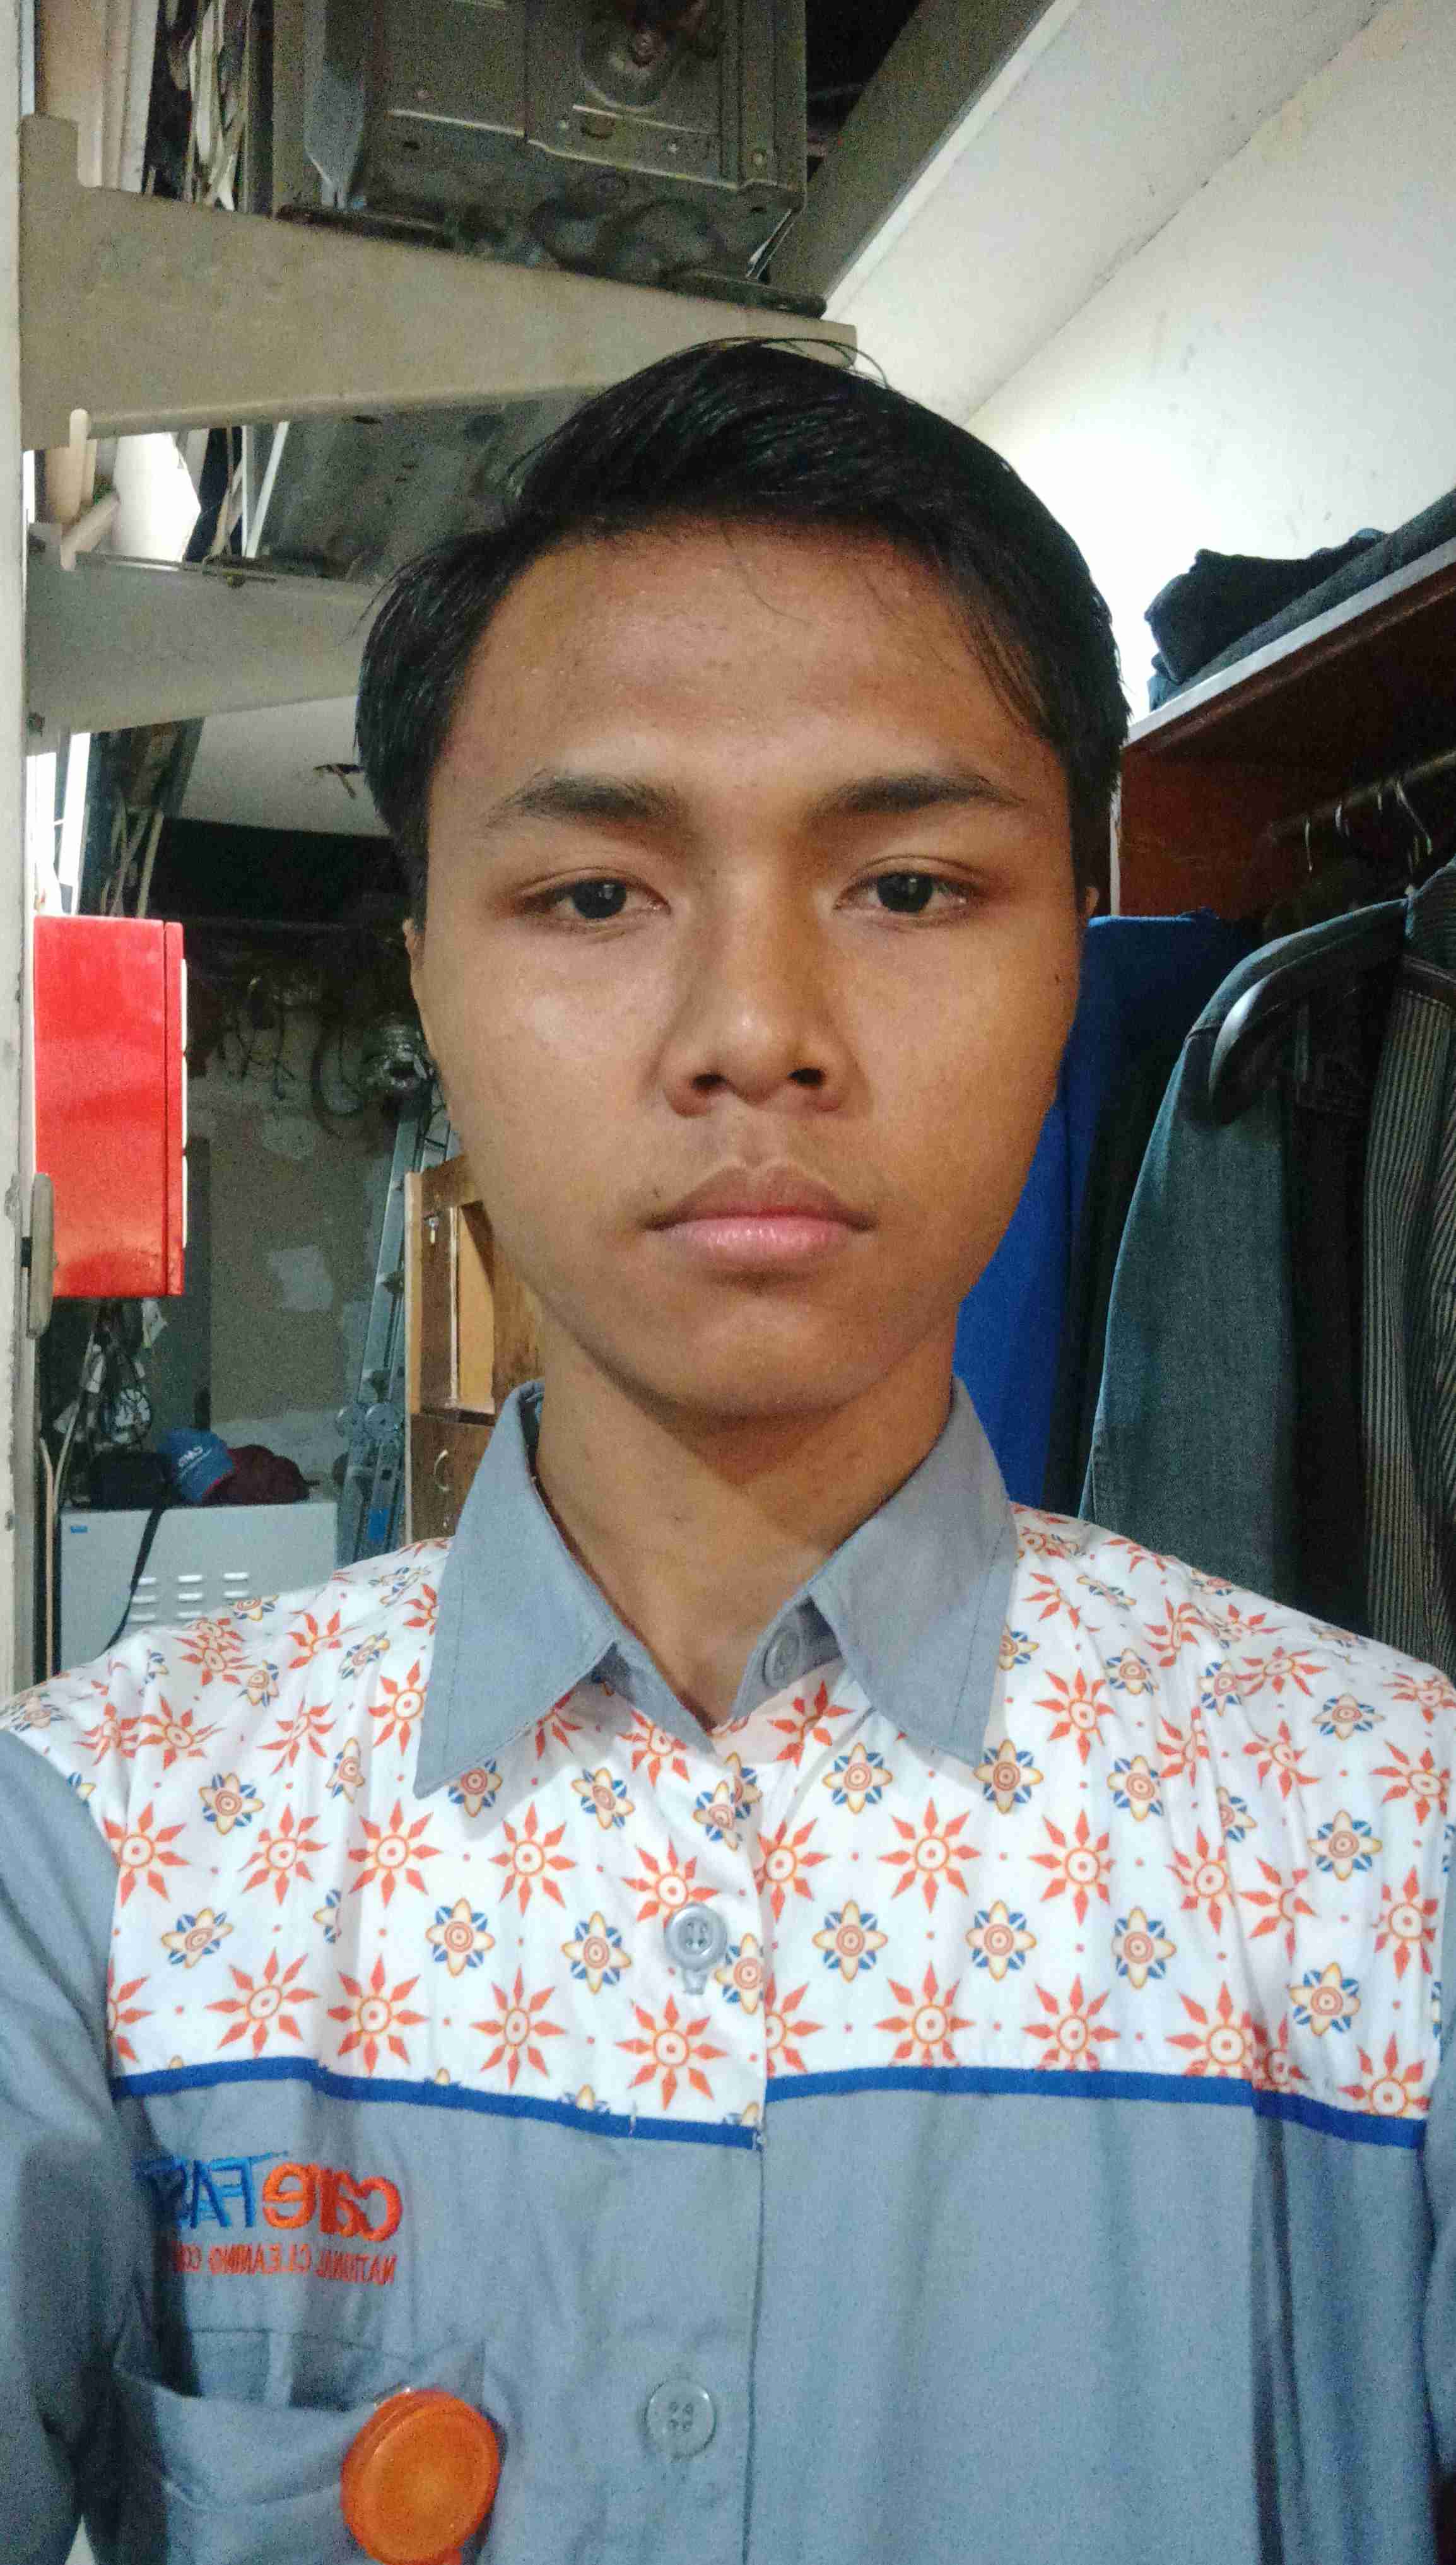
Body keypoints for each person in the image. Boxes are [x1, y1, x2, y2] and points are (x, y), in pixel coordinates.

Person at [3, 339, 1453, 2565]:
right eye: (596, 895)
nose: (753, 1032)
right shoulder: (95, 1861)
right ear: (431, 978)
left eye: (908, 887)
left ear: (1070, 957)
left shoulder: (1387, 1849)